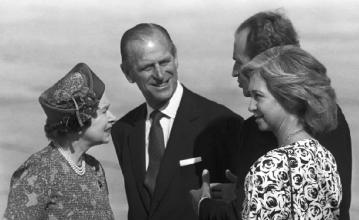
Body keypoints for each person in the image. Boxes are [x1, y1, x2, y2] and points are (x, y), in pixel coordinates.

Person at [195, 10, 351, 220]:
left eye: (240, 62)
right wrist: (246, 192)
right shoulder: (325, 147)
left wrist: (203, 205)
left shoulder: (268, 163)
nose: (235, 72)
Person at [111, 23, 242, 220]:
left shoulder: (221, 123)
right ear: (128, 73)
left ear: (176, 57)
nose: (160, 74)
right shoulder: (124, 130)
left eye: (164, 62)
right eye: (147, 67)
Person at [3, 63, 116, 219]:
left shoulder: (94, 169)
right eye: (104, 111)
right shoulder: (39, 171)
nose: (112, 118)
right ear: (81, 120)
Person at [242, 45, 342, 219]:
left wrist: (203, 201)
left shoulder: (270, 168)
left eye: (258, 96)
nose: (251, 107)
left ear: (288, 97)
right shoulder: (324, 157)